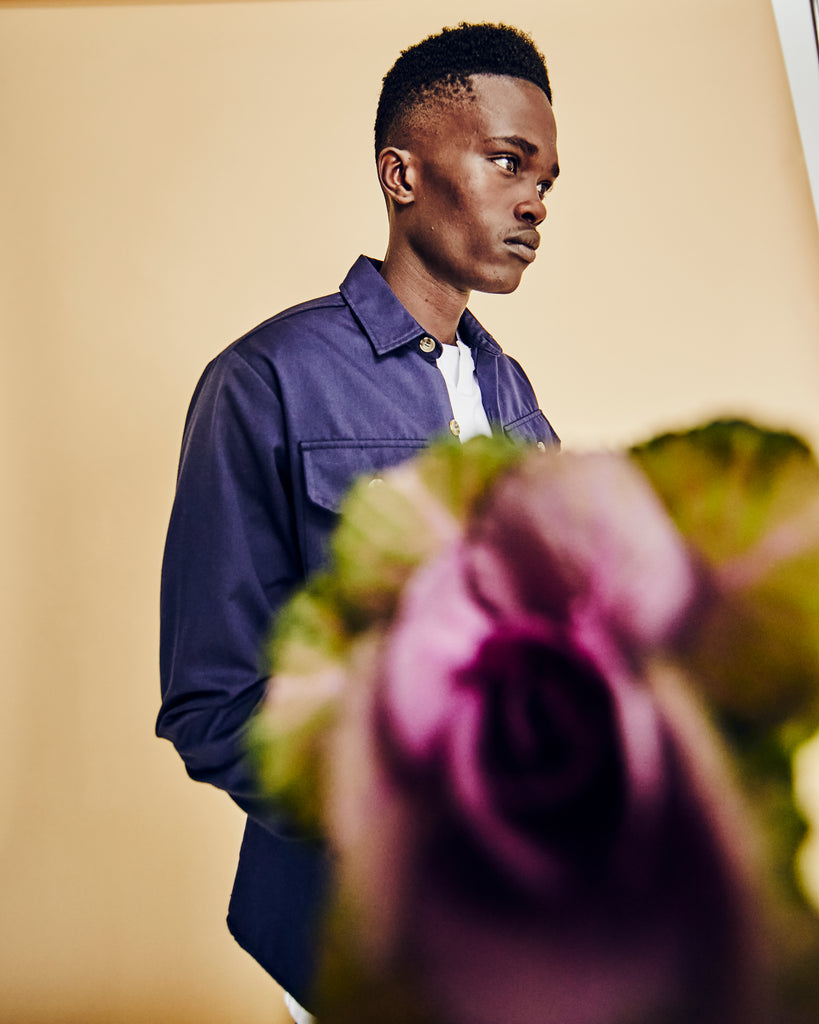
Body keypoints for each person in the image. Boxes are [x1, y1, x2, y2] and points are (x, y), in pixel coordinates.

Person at [157, 21, 560, 1024]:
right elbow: (212, 703)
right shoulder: (262, 384)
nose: (534, 204)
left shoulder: (508, 389)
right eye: (509, 162)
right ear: (402, 172)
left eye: (547, 181)